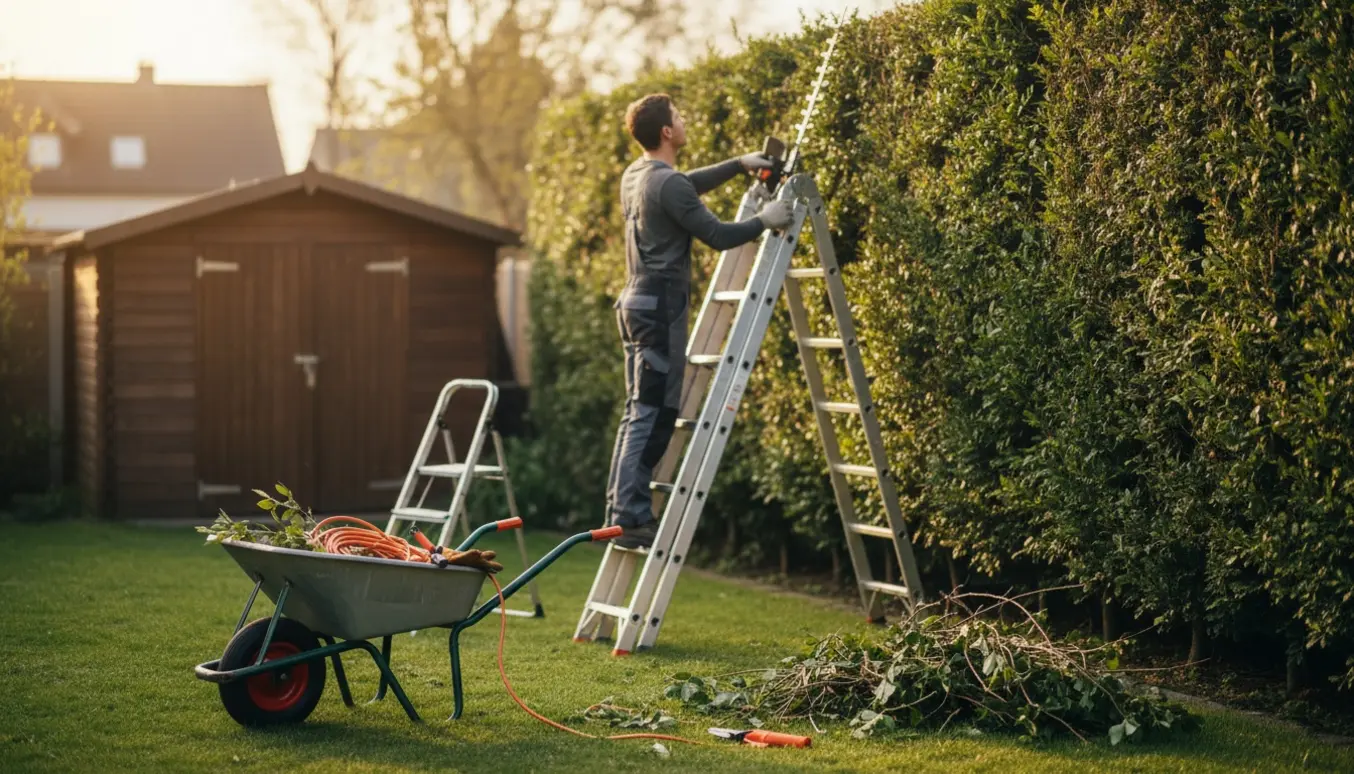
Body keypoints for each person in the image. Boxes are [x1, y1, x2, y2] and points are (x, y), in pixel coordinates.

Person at [604, 92, 795, 550]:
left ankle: (622, 511)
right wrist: (765, 220)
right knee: (653, 412)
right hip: (660, 308)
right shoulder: (666, 183)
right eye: (679, 116)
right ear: (667, 131)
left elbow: (683, 187)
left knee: (640, 410)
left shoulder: (638, 175)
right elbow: (717, 235)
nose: (685, 119)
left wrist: (736, 164)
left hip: (636, 303)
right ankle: (628, 517)